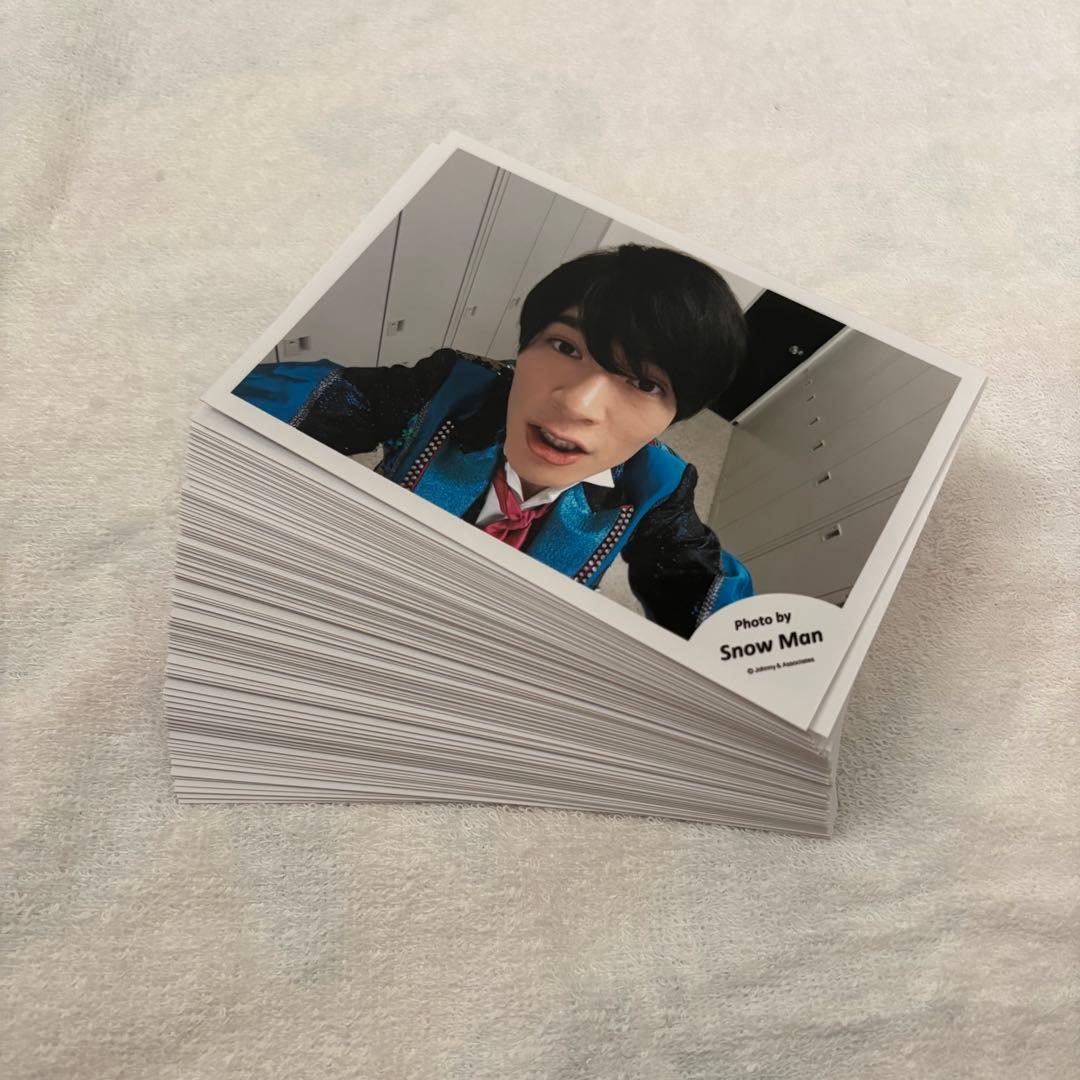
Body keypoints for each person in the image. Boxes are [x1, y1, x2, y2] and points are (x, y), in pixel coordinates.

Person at [234, 244, 754, 639]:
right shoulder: (446, 391)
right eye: (565, 347)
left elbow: (725, 626)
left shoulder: (656, 487)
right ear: (523, 348)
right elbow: (264, 405)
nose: (578, 404)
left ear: (674, 416)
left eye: (642, 383)